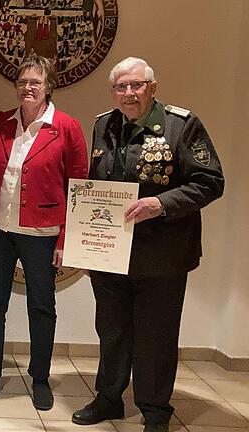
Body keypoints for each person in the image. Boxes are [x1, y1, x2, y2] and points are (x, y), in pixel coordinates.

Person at [71, 57, 224, 432]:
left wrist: (161, 204)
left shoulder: (182, 126)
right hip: (109, 253)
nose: (128, 93)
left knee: (156, 336)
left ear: (152, 87)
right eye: (121, 87)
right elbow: (96, 185)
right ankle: (109, 399)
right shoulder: (102, 125)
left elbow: (210, 182)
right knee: (111, 331)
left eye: (136, 85)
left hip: (162, 256)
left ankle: (155, 409)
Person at [0, 54, 88, 410]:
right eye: (22, 82)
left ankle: (40, 378)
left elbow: (77, 188)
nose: (27, 88)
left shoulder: (66, 127)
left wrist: (66, 240)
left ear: (49, 86)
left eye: (35, 82)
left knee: (41, 306)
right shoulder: (2, 122)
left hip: (42, 233)